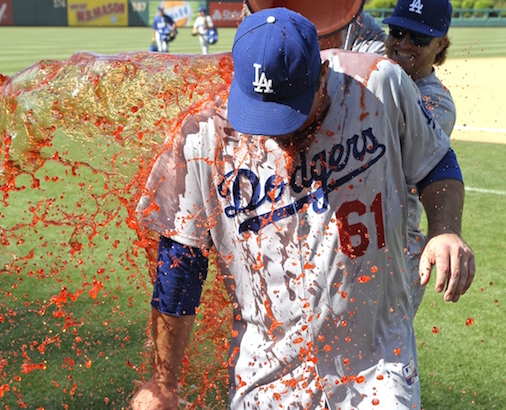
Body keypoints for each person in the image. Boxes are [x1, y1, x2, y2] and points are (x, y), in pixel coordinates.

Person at [131, 7, 474, 410]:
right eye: (261, 111)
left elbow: (437, 163)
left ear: (323, 74)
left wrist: (445, 229)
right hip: (265, 376)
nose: (276, 129)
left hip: (376, 366)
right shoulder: (204, 135)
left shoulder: (378, 86)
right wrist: (162, 382)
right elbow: (180, 266)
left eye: (290, 109)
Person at [245, 0, 457, 317]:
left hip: (392, 241)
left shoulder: (435, 103)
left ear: (441, 44)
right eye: (397, 32)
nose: (402, 44)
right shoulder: (375, 50)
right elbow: (339, 12)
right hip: (334, 217)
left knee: (377, 336)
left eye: (418, 38)